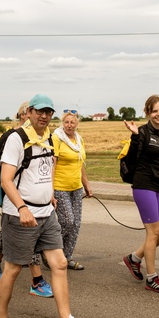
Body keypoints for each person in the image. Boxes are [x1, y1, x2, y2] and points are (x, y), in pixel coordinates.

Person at [0, 94, 97, 318]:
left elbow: (47, 168)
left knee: (60, 264)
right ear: (29, 112)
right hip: (21, 215)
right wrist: (21, 208)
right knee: (13, 268)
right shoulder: (16, 139)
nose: (44, 116)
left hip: (46, 213)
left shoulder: (50, 138)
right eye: (40, 111)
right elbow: (6, 180)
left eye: (48, 112)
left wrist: (50, 193)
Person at [0, 101, 53, 298]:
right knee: (25, 237)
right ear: (24, 115)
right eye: (30, 114)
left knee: (10, 236)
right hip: (13, 194)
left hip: (28, 196)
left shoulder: (40, 137)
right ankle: (37, 280)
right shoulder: (11, 137)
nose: (38, 118)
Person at [122, 94, 159, 293]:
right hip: (143, 184)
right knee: (153, 233)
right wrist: (135, 136)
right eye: (155, 111)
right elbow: (131, 158)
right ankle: (152, 278)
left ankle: (135, 258)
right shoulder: (143, 132)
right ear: (147, 113)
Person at [52, 110, 93, 270]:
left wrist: (87, 185)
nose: (69, 125)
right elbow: (52, 163)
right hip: (60, 186)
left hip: (76, 187)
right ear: (63, 123)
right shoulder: (57, 138)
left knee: (75, 225)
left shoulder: (79, 139)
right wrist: (50, 190)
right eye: (67, 122)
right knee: (67, 222)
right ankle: (50, 250)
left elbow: (80, 164)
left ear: (77, 124)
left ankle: (66, 257)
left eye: (72, 122)